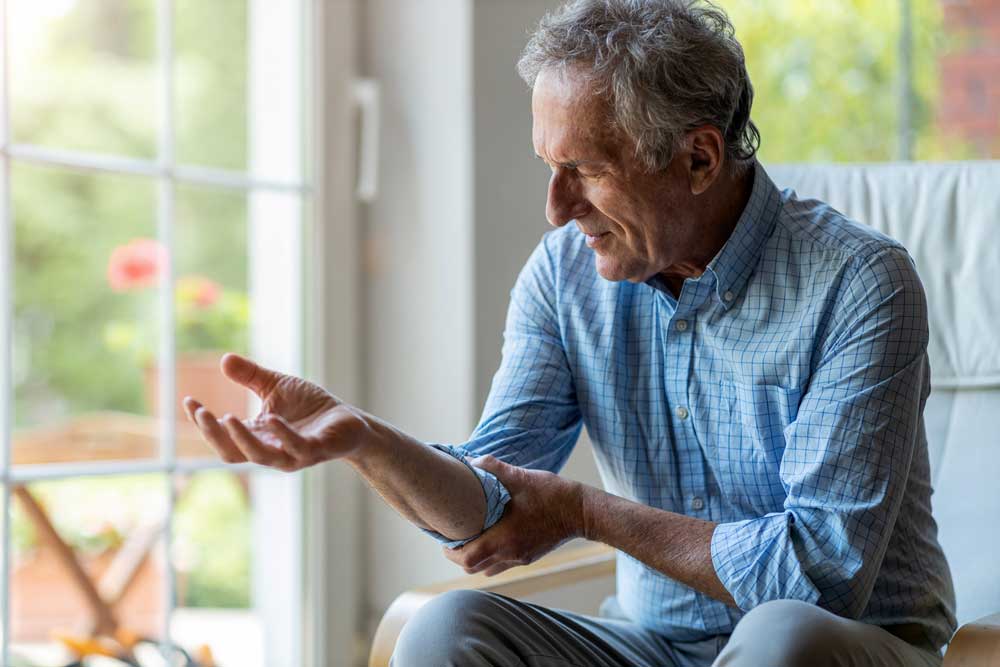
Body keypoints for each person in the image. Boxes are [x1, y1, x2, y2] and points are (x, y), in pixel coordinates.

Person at [183, 1, 956, 665]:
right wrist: (367, 442)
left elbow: (818, 573)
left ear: (697, 156)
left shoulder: (862, 284)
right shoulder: (565, 275)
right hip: (650, 643)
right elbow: (494, 502)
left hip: (847, 643)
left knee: (781, 633)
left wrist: (589, 513)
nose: (555, 208)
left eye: (584, 169)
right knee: (447, 627)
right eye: (548, 167)